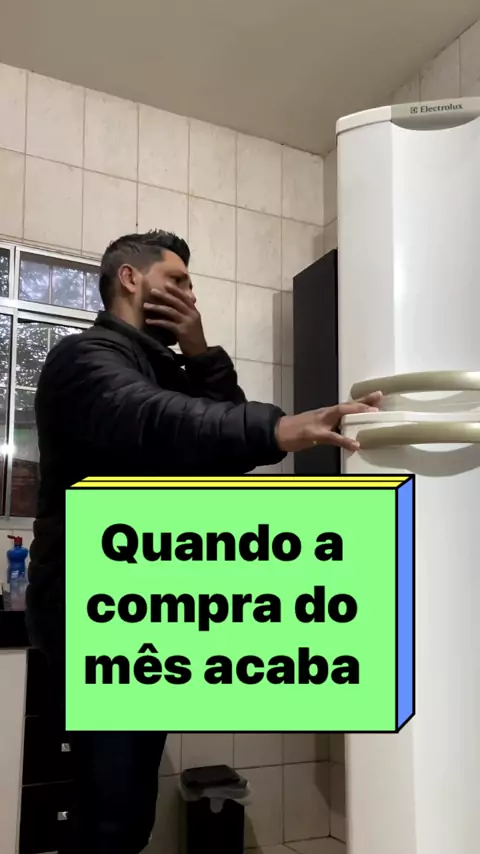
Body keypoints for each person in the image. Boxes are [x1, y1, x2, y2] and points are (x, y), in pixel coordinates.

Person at [26, 230, 380, 854]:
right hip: (90, 616)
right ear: (130, 279)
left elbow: (219, 450)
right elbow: (158, 420)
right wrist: (280, 427)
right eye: (178, 281)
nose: (190, 295)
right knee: (109, 818)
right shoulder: (84, 359)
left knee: (128, 814)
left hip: (141, 612)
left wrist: (199, 348)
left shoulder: (163, 369)